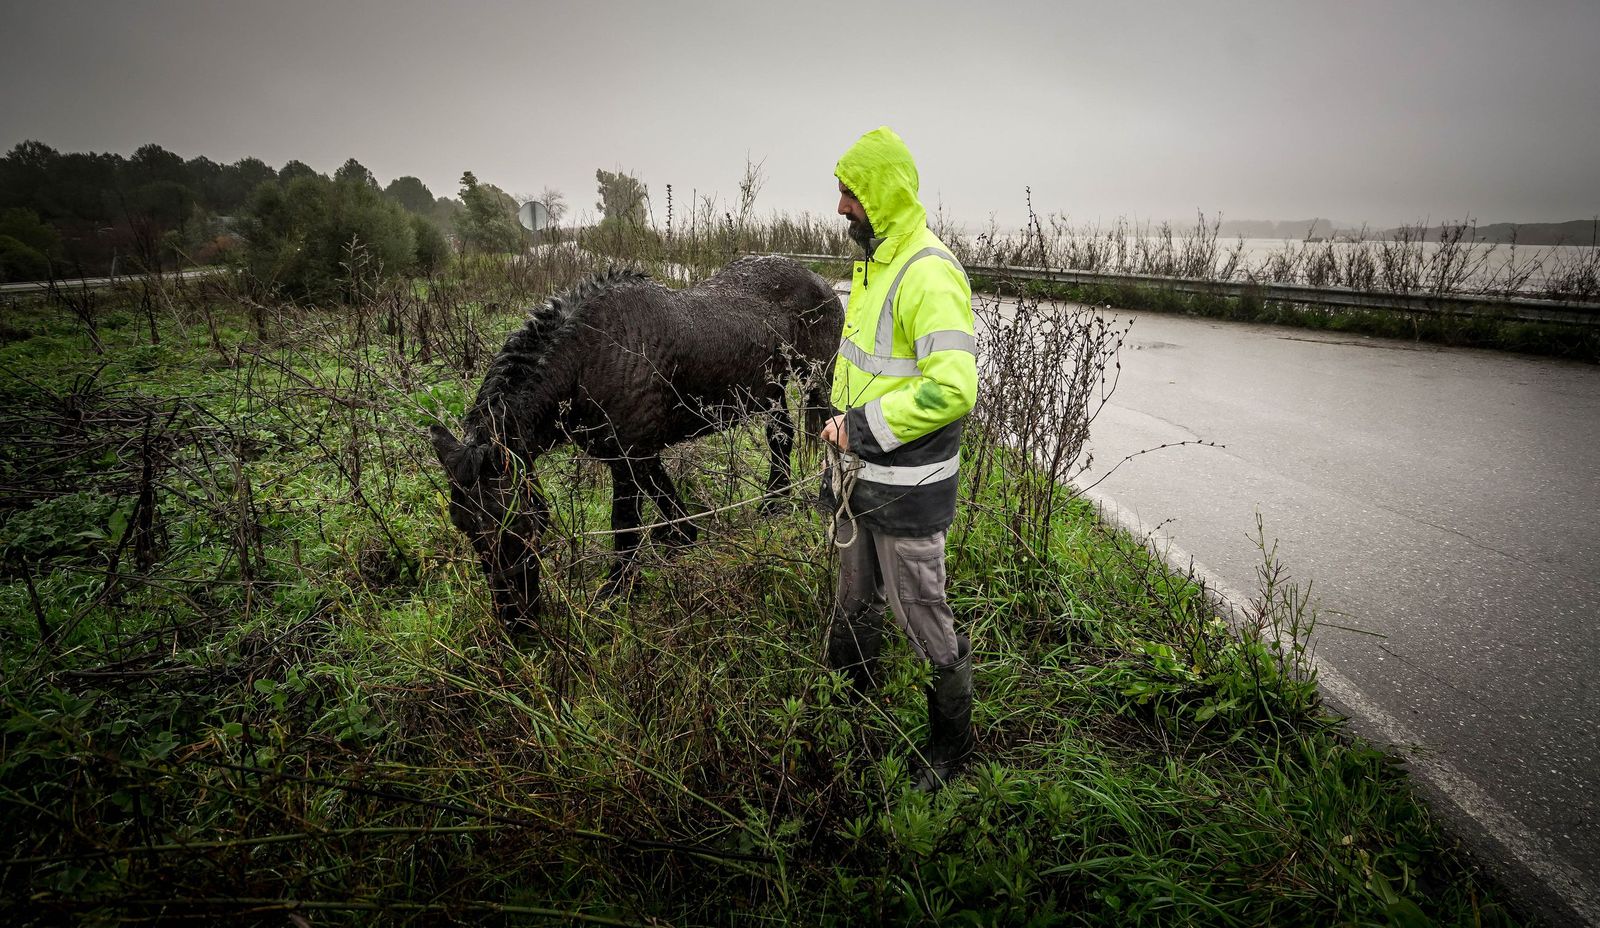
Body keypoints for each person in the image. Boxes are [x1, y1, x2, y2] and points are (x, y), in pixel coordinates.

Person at [819, 126, 978, 792]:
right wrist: (837, 425)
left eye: (849, 193)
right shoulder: (878, 263)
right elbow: (874, 368)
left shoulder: (927, 270)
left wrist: (861, 426)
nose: (840, 207)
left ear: (880, 194)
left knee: (922, 614)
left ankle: (953, 747)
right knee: (853, 601)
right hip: (855, 479)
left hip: (905, 491)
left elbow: (953, 387)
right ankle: (847, 704)